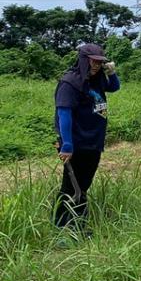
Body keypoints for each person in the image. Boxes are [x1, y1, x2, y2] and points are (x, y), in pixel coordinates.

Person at [53, 43, 121, 231]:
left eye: (100, 62)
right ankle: (62, 228)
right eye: (93, 61)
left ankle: (77, 226)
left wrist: (112, 72)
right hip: (76, 143)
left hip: (94, 142)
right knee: (71, 187)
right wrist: (67, 145)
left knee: (83, 186)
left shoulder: (97, 79)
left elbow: (114, 88)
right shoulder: (70, 82)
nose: (97, 65)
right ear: (83, 60)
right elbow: (64, 114)